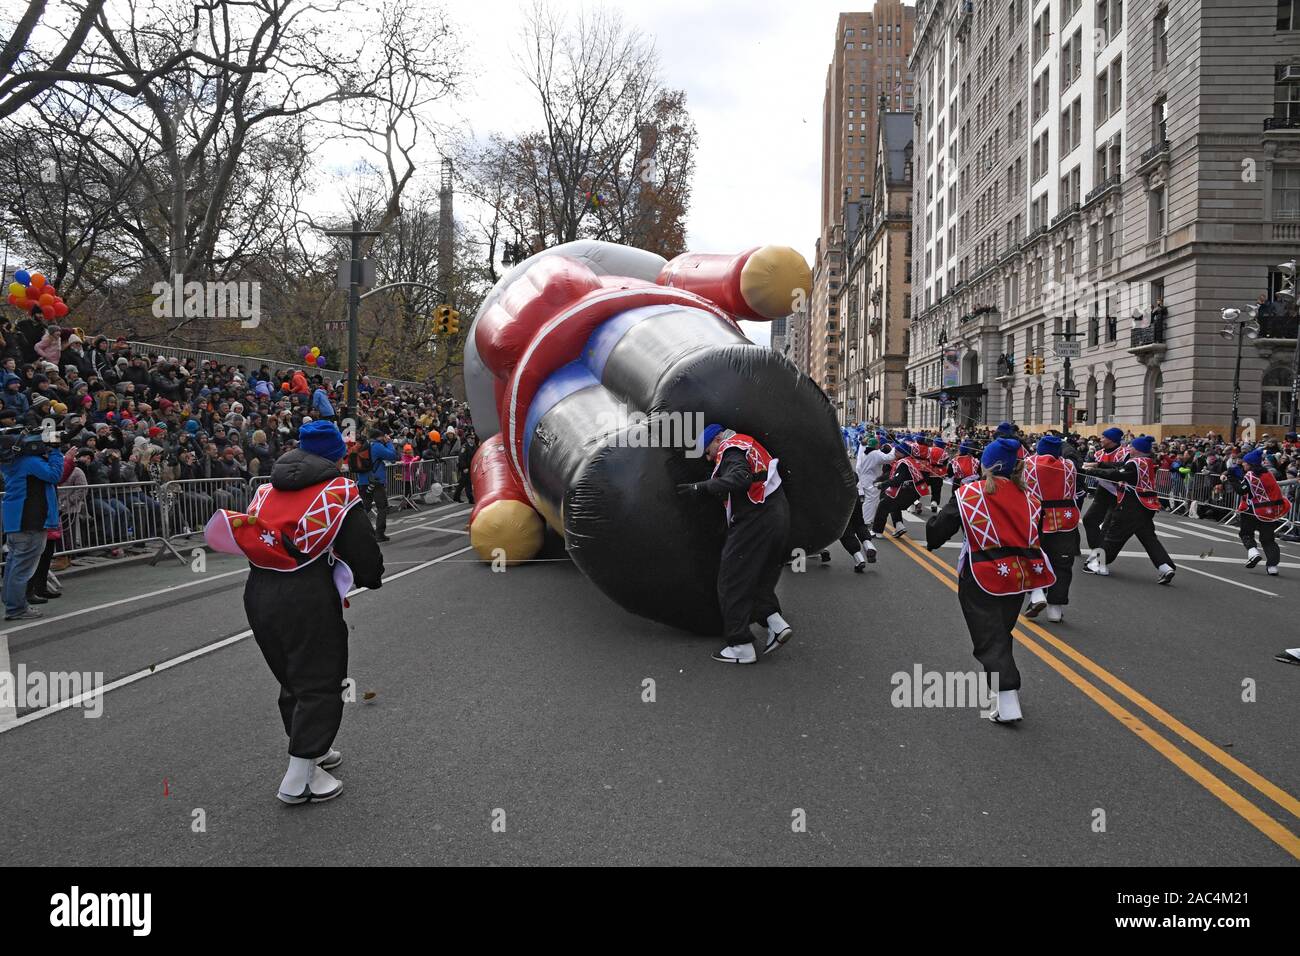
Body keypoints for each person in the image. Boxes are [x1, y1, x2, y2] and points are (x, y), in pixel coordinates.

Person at [203, 420, 384, 805]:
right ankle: (300, 777)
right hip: (307, 593)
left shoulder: (266, 490)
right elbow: (362, 547)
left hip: (259, 591)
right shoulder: (338, 491)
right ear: (336, 456)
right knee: (320, 677)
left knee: (291, 675)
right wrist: (371, 576)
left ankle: (313, 748)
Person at [926, 438, 1056, 724]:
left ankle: (1007, 698)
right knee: (1000, 632)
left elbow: (939, 529)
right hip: (1017, 578)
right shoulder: (1031, 499)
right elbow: (1037, 539)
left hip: (981, 575)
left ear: (986, 463)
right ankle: (1004, 693)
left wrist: (933, 535)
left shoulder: (968, 493)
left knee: (989, 637)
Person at [677, 424, 791, 664]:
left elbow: (741, 478)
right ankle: (776, 624)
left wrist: (701, 487)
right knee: (756, 576)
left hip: (756, 518)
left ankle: (740, 646)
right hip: (778, 513)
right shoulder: (747, 442)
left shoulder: (730, 448)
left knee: (732, 580)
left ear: (717, 439)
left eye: (708, 452)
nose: (709, 459)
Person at [1082, 434, 1176, 584]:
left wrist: (1090, 471)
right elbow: (1118, 466)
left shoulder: (1134, 464)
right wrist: (1098, 465)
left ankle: (1096, 563)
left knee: (1113, 538)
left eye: (1132, 446)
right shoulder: (1146, 462)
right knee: (1149, 539)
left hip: (1130, 507)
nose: (1129, 448)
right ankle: (1165, 566)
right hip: (1146, 507)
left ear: (1138, 449)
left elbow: (1115, 474)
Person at [1, 432, 64, 621]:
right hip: (31, 519)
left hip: (16, 520)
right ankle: (16, 608)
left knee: (14, 565)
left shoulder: (10, 463)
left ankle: (12, 602)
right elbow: (54, 475)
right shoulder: (29, 462)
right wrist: (55, 451)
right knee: (22, 567)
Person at [1022, 434, 1084, 622]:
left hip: (1035, 517)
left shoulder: (1027, 464)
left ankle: (1037, 594)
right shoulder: (1070, 466)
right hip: (1064, 519)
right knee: (1062, 563)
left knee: (1033, 557)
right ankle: (1055, 609)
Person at [1226, 447, 1287, 575]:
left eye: (1245, 462)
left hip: (1253, 510)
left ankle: (1253, 553)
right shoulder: (1268, 474)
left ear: (1250, 464)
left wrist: (1231, 478)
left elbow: (1242, 490)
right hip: (1270, 511)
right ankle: (1272, 567)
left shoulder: (1251, 475)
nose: (1243, 464)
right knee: (1268, 539)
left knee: (1246, 533)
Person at [1082, 427, 1127, 550]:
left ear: (1111, 440)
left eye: (1103, 437)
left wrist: (1097, 466)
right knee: (1089, 520)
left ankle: (1100, 555)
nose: (1100, 439)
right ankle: (1096, 550)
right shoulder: (1099, 453)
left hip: (1120, 493)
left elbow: (1122, 468)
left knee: (1108, 527)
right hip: (1103, 490)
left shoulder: (1125, 453)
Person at [873, 436, 927, 539]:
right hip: (914, 492)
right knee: (893, 504)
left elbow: (897, 480)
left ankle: (877, 531)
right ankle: (899, 526)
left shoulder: (903, 463)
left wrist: (882, 484)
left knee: (883, 505)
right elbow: (892, 476)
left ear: (902, 453)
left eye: (897, 452)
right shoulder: (912, 461)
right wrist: (880, 480)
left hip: (906, 491)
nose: (895, 453)